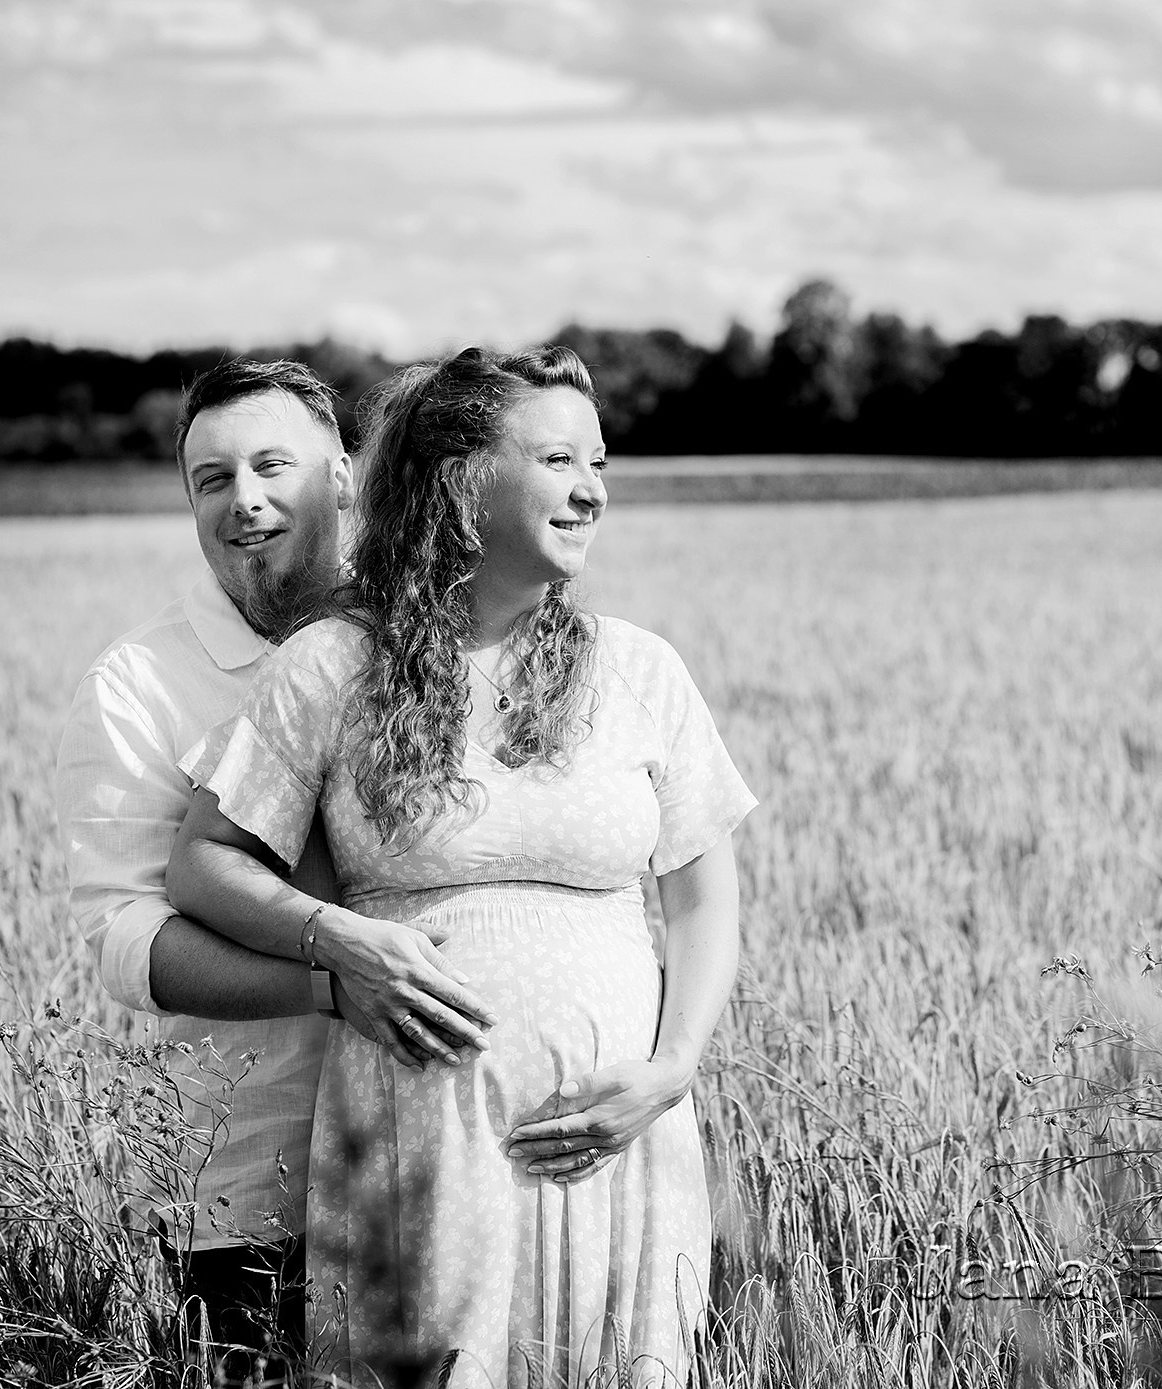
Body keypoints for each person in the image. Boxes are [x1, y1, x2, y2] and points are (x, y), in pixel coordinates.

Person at [165, 344, 754, 1387]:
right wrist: (333, 937)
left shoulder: (639, 669)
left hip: (625, 1145)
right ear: (460, 477)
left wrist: (668, 1075)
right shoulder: (334, 664)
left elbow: (704, 900)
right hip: (418, 1146)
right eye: (561, 460)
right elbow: (205, 867)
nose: (590, 491)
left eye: (600, 465)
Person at [53, 359, 488, 1383]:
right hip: (255, 1177)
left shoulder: (441, 638)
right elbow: (124, 941)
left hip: (451, 1140)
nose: (242, 500)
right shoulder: (138, 685)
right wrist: (331, 984)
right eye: (210, 478)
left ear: (342, 477)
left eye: (269, 465)